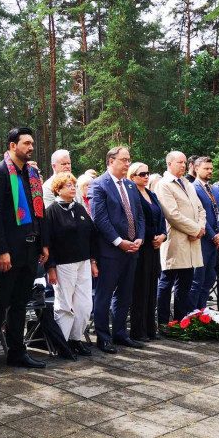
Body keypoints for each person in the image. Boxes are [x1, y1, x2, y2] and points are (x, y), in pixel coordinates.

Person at [0, 127, 49, 377]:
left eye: (32, 143)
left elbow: (39, 211)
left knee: (20, 304)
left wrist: (43, 243)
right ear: (12, 146)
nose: (31, 147)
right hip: (6, 252)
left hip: (30, 249)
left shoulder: (32, 174)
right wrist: (1, 251)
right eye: (26, 143)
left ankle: (17, 353)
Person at [90, 146, 146, 353]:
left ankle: (120, 333)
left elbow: (139, 216)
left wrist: (139, 237)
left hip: (132, 249)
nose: (127, 164)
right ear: (111, 161)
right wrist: (118, 241)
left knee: (125, 294)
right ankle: (103, 337)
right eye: (124, 160)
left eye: (129, 160)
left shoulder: (131, 186)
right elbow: (100, 219)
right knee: (104, 294)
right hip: (110, 251)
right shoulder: (99, 185)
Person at [43, 172, 97, 355]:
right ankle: (63, 343)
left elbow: (91, 235)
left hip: (83, 262)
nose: (73, 188)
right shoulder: (51, 211)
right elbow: (47, 242)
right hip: (63, 264)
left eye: (73, 185)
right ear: (58, 189)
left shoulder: (80, 209)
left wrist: (93, 260)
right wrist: (50, 267)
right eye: (68, 185)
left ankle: (76, 338)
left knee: (84, 304)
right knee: (64, 304)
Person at [156, 151, 205, 324]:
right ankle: (162, 321)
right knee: (167, 282)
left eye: (185, 162)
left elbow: (200, 209)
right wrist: (195, 230)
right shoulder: (164, 184)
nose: (183, 165)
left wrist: (200, 228)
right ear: (169, 164)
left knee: (185, 283)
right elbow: (172, 215)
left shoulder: (186, 182)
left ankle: (180, 320)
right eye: (179, 162)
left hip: (192, 241)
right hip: (176, 240)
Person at [127, 163, 166, 341]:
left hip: (155, 246)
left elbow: (161, 218)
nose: (146, 176)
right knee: (140, 289)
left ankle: (151, 328)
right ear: (132, 176)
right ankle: (138, 330)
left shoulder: (152, 194)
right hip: (142, 247)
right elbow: (138, 221)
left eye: (147, 173)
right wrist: (153, 236)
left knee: (152, 287)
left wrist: (163, 236)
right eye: (141, 174)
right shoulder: (132, 195)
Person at [190, 157, 219, 311]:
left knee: (210, 278)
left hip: (216, 240)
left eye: (211, 168)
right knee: (198, 278)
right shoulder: (193, 188)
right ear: (196, 169)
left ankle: (203, 311)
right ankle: (192, 313)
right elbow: (199, 215)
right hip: (203, 240)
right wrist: (213, 236)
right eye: (206, 168)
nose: (210, 171)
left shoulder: (215, 189)